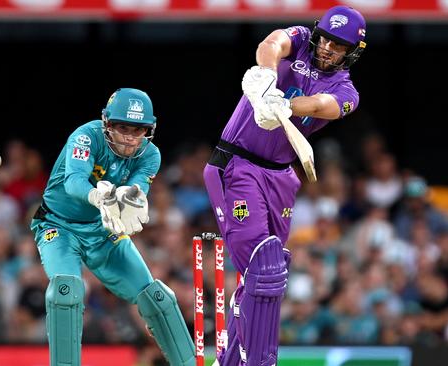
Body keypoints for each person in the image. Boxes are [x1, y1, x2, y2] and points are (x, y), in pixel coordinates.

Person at [202, 5, 367, 365]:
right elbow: (273, 42)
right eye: (326, 39)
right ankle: (260, 359)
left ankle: (229, 360)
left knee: (267, 272)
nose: (326, 48)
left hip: (281, 177)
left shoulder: (347, 91)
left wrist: (286, 106)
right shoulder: (303, 39)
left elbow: (325, 105)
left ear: (351, 52)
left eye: (338, 46)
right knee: (265, 266)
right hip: (238, 164)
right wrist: (265, 77)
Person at [29, 88, 195, 366]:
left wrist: (133, 199)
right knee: (65, 292)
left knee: (156, 298)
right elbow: (74, 182)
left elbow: (138, 189)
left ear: (149, 130)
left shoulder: (150, 155)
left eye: (138, 130)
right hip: (58, 225)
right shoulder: (85, 137)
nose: (130, 138)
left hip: (104, 228)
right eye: (122, 128)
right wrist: (99, 196)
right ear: (106, 123)